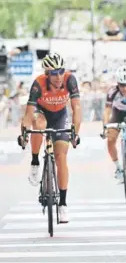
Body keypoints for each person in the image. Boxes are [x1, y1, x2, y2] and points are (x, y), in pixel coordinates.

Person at [18, 52, 81, 223]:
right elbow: (28, 113)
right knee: (39, 126)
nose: (59, 76)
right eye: (54, 73)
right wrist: (23, 132)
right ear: (47, 74)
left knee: (61, 157)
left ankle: (63, 204)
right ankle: (35, 161)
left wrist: (75, 132)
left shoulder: (70, 80)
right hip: (41, 112)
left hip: (60, 115)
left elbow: (76, 108)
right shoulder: (38, 83)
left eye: (61, 71)